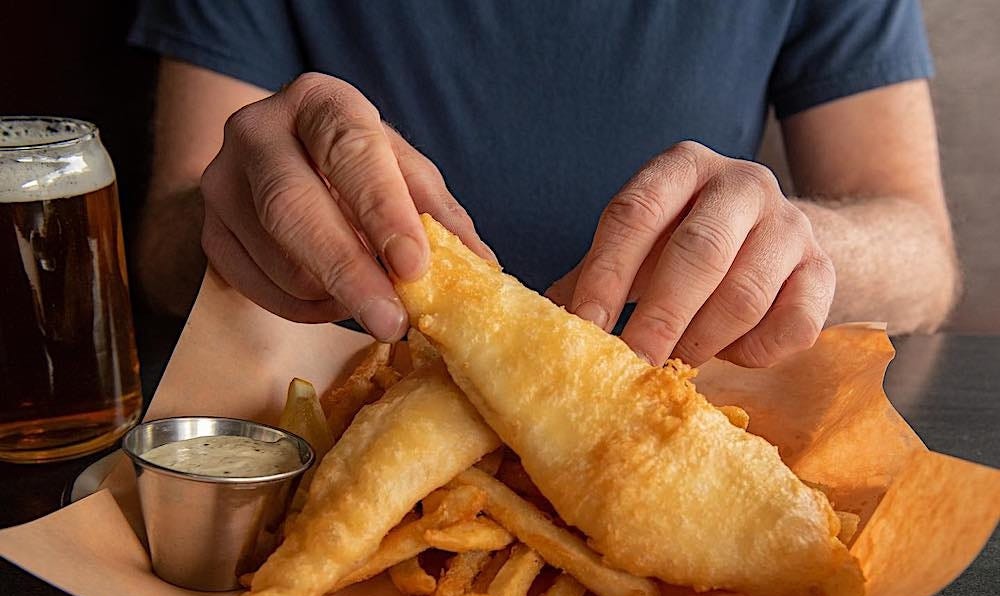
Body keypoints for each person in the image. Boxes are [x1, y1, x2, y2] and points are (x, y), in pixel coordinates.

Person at [129, 0, 958, 368]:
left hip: (675, 393)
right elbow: (165, 250)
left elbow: (924, 256)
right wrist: (238, 204)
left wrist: (797, 250)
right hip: (312, 411)